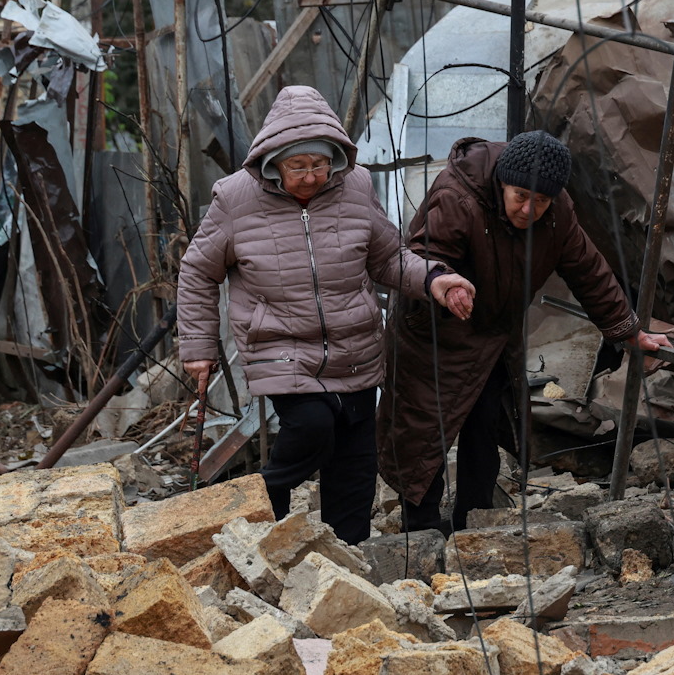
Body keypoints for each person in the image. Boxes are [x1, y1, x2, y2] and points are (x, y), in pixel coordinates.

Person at [176, 85, 474, 544]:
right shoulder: (235, 198)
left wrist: (435, 279)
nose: (312, 176)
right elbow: (197, 271)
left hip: (355, 346)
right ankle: (259, 510)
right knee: (313, 425)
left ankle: (349, 554)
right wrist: (198, 348)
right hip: (279, 346)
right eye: (299, 166)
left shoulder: (355, 186)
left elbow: (388, 258)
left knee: (356, 458)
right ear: (273, 161)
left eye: (320, 164)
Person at [377, 130, 671, 534]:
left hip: (494, 336)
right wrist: (446, 284)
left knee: (485, 425)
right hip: (433, 329)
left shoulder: (558, 213)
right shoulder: (457, 197)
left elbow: (588, 271)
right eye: (521, 197)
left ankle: (474, 527)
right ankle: (421, 532)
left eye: (542, 201)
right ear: (502, 183)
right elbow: (424, 256)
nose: (530, 209)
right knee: (423, 432)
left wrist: (628, 331)